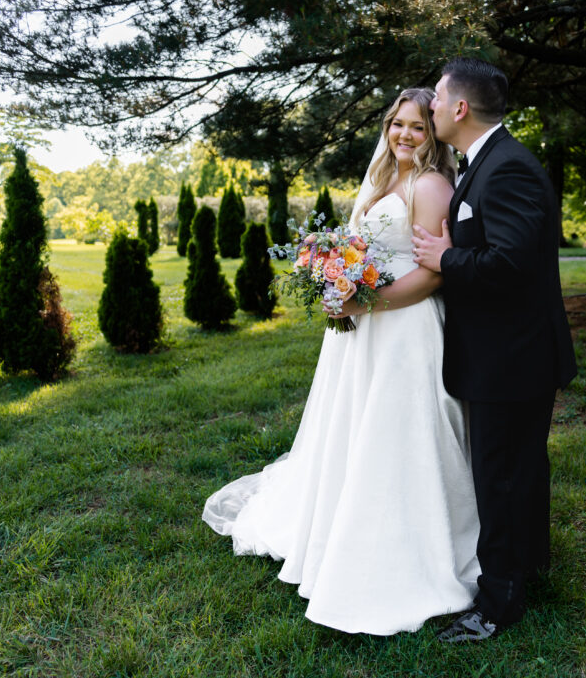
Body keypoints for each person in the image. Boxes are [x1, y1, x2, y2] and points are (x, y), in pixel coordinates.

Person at [202, 88, 482, 636]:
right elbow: (361, 247)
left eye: (418, 128)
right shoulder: (383, 181)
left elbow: (432, 274)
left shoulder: (430, 186)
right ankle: (341, 519)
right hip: (365, 327)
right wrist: (335, 277)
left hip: (405, 330)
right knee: (354, 427)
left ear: (434, 134)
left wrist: (363, 300)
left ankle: (409, 541)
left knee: (400, 432)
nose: (404, 135)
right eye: (397, 124)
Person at [413, 57, 578, 642]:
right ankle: (529, 567)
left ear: (460, 108)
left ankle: (498, 602)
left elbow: (510, 264)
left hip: (511, 358)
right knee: (519, 469)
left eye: (435, 97)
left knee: (502, 476)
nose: (429, 106)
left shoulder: (506, 168)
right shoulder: (481, 163)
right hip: (507, 353)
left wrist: (444, 260)